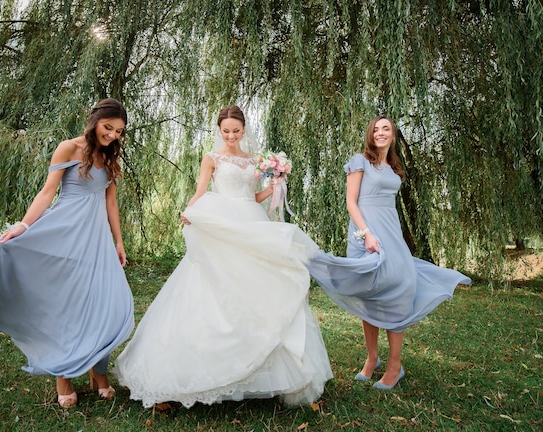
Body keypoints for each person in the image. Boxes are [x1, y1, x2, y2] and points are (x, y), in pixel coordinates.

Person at [113, 105, 333, 408]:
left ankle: (273, 373)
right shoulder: (211, 158)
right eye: (226, 131)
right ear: (219, 130)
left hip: (251, 220)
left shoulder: (255, 161)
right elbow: (201, 190)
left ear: (244, 130)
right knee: (212, 287)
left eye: (236, 131)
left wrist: (273, 187)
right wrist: (190, 211)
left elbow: (252, 196)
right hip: (223, 223)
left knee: (258, 288)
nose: (231, 136)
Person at [0, 98, 135, 408]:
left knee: (105, 302)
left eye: (118, 131)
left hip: (97, 238)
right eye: (108, 127)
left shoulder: (112, 158)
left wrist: (119, 241)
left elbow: (110, 202)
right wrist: (22, 225)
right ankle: (64, 375)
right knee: (70, 303)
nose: (113, 135)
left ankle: (99, 371)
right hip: (65, 232)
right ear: (95, 121)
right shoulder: (68, 148)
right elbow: (48, 192)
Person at [307, 116, 471, 390]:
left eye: (386, 129)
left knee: (397, 291)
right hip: (364, 234)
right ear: (370, 134)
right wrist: (366, 234)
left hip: (390, 233)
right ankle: (372, 359)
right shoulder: (359, 161)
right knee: (367, 293)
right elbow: (351, 202)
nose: (381, 133)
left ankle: (395, 365)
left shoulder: (394, 167)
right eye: (376, 129)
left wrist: (385, 235)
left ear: (393, 136)